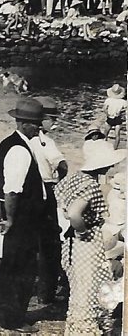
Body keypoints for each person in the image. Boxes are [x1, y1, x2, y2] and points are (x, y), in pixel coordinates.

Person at [54, 141, 127, 335]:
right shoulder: (91, 185)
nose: (111, 167)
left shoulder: (73, 179)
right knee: (91, 289)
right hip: (86, 242)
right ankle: (87, 329)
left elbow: (62, 205)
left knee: (79, 289)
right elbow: (75, 212)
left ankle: (78, 328)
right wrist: (83, 230)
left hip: (69, 243)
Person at [0, 97, 48, 333]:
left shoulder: (11, 144)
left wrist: (3, 214)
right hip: (23, 221)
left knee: (11, 266)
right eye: (36, 124)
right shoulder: (19, 150)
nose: (40, 128)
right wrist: (12, 219)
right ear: (25, 124)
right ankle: (13, 318)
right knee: (21, 269)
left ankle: (5, 313)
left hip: (19, 219)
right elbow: (12, 190)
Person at [31, 96, 69, 305]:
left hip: (27, 192)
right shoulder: (47, 141)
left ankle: (33, 286)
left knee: (32, 241)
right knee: (49, 244)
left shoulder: (24, 139)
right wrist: (60, 185)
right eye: (52, 118)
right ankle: (46, 293)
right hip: (45, 189)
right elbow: (62, 165)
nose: (55, 122)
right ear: (41, 119)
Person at [102, 84, 126, 150]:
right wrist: (120, 112)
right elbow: (126, 109)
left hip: (110, 118)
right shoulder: (123, 102)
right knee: (117, 135)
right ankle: (115, 149)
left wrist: (108, 114)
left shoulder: (108, 100)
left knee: (105, 133)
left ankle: (103, 147)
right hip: (118, 118)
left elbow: (104, 109)